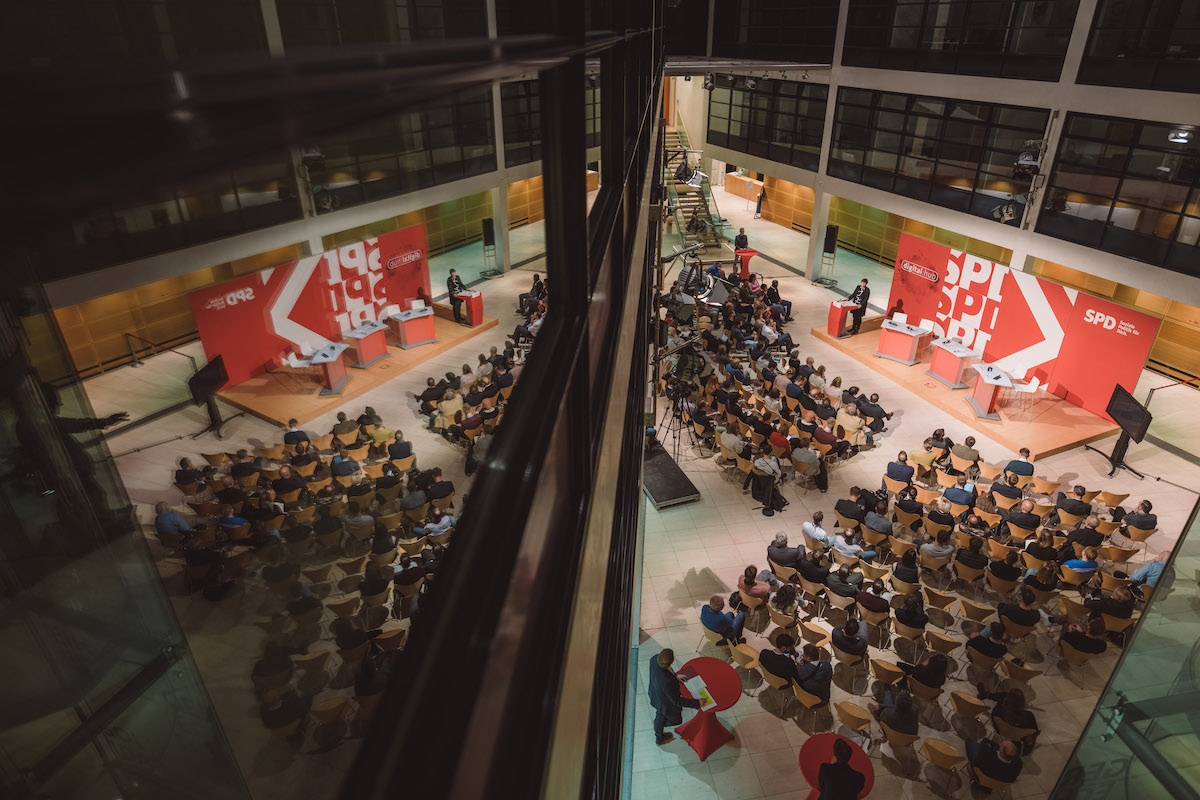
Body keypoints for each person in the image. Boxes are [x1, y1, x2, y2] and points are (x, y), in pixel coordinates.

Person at [647, 648, 701, 745]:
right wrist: (697, 703)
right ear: (672, 660)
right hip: (663, 703)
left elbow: (664, 673)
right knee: (676, 720)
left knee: (660, 715)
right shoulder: (667, 682)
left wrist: (675, 677)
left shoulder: (654, 659)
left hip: (655, 694)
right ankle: (659, 736)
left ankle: (658, 727)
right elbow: (676, 701)